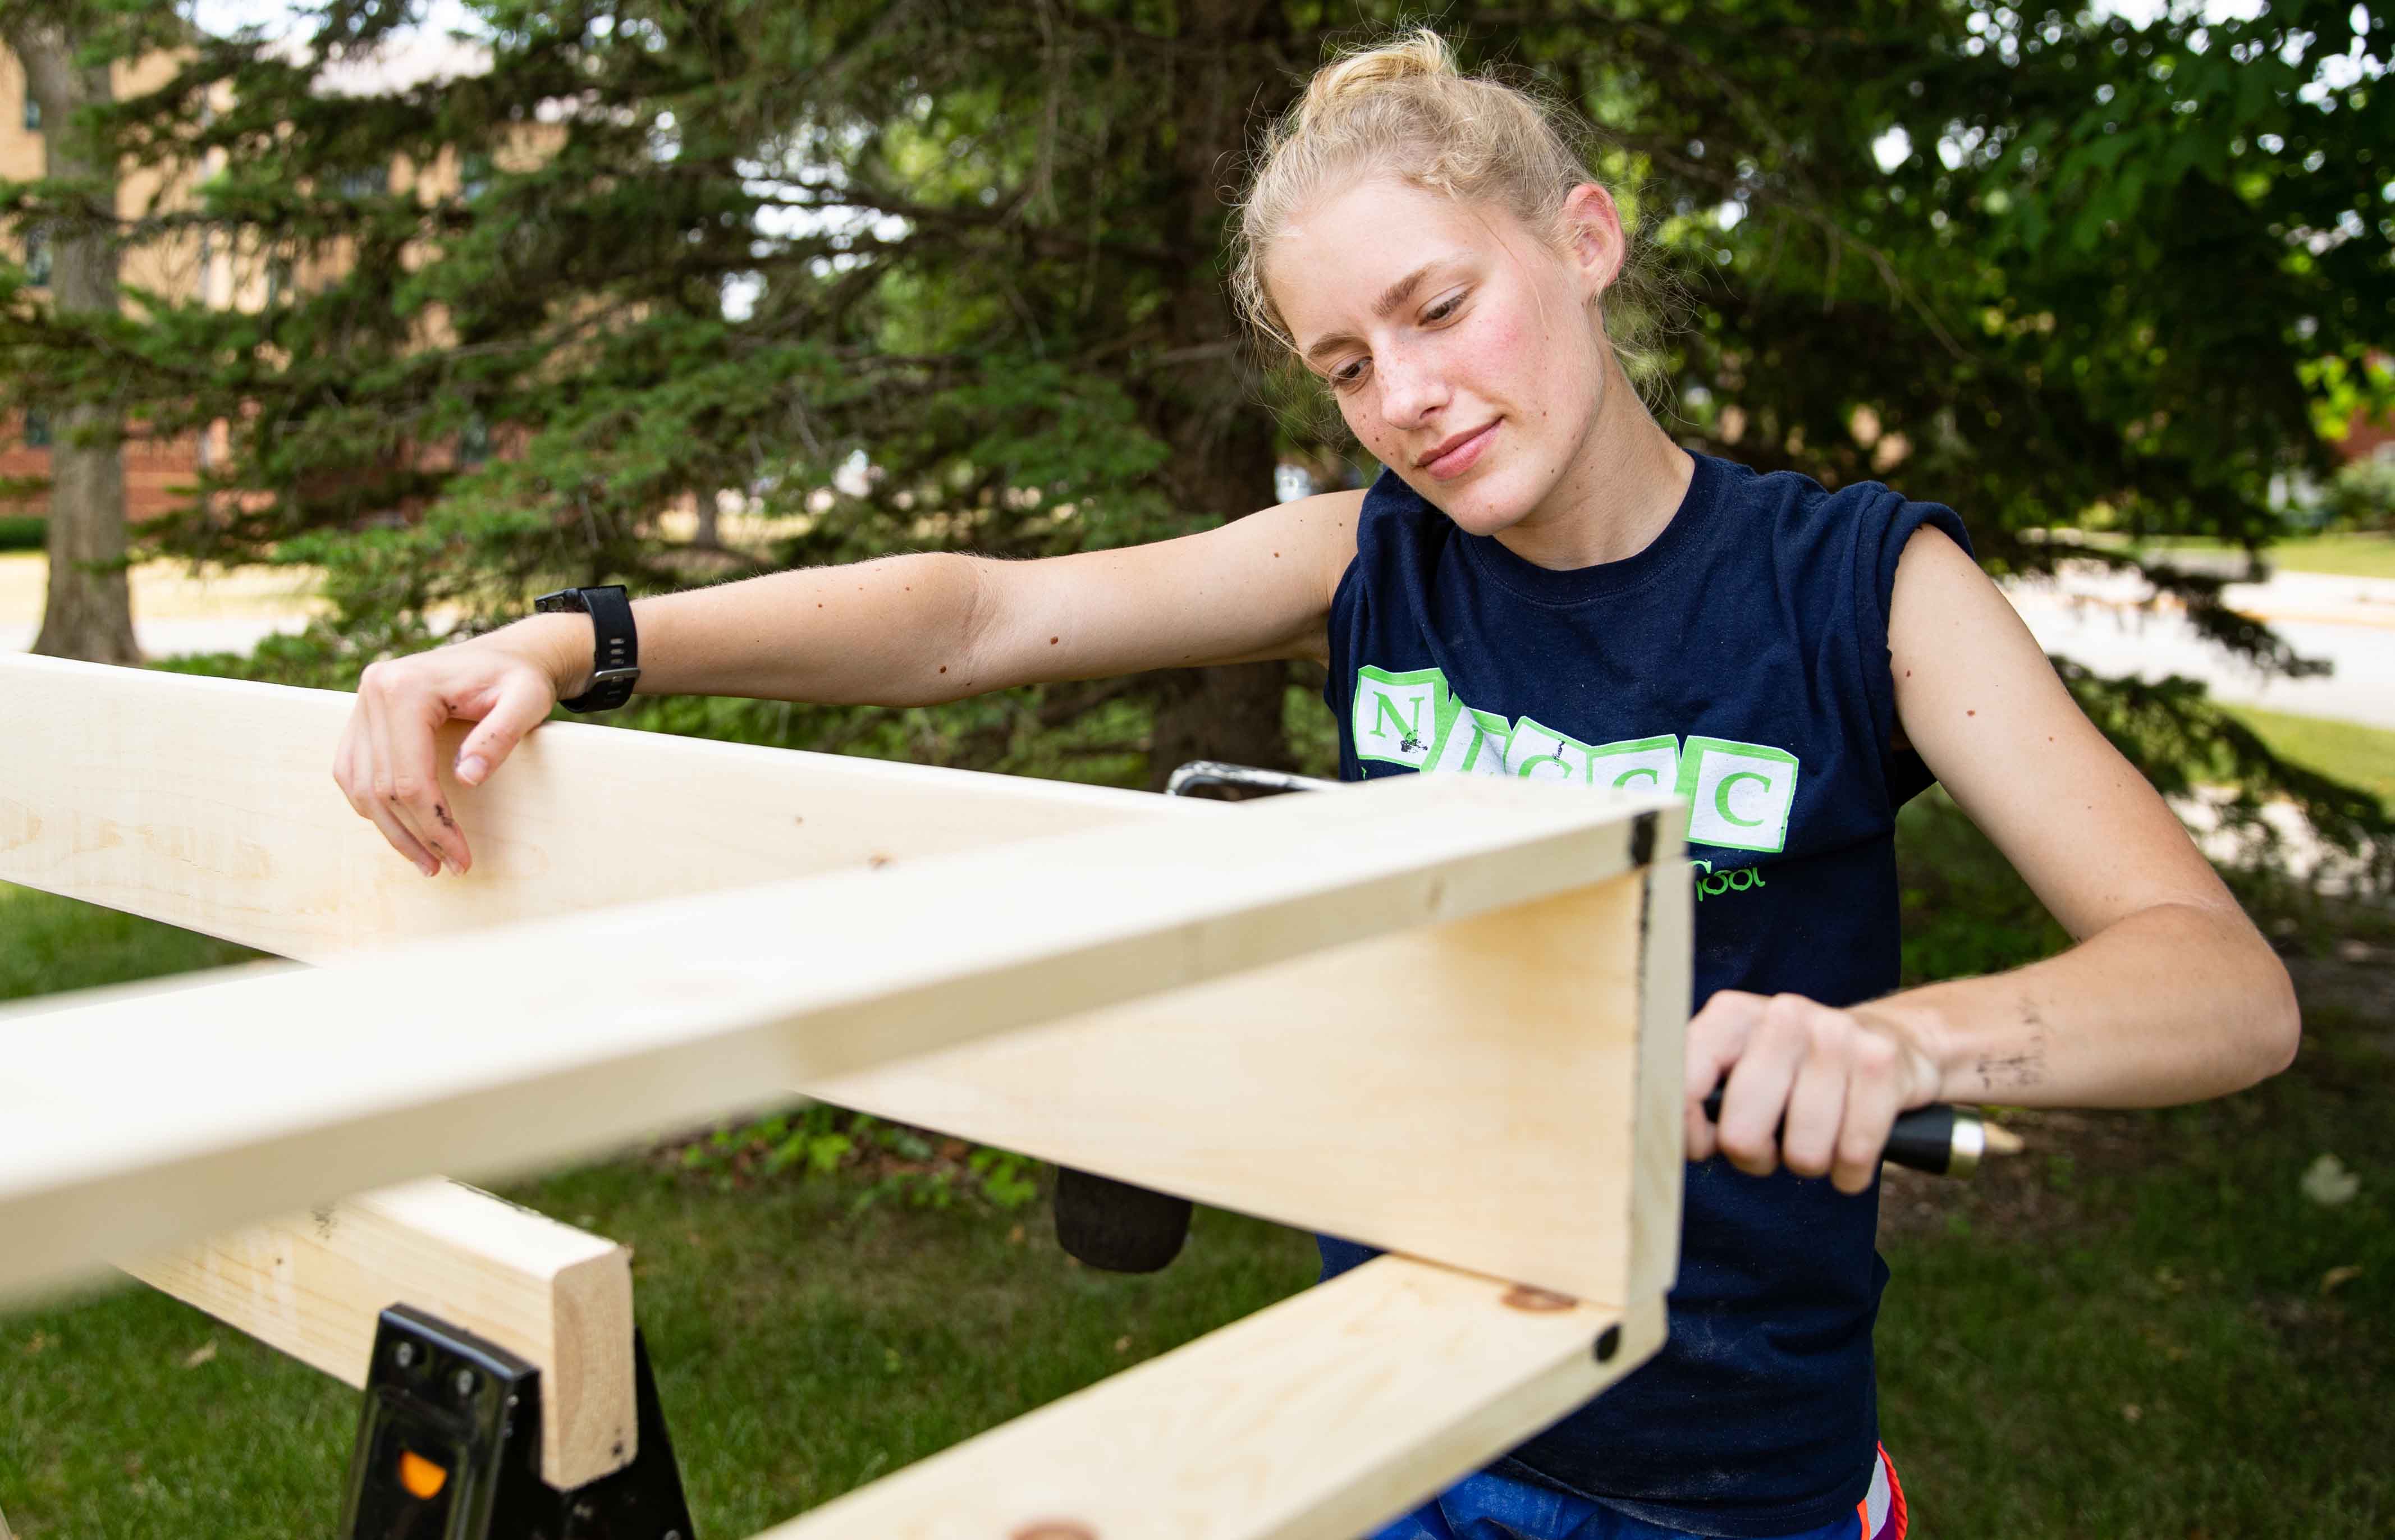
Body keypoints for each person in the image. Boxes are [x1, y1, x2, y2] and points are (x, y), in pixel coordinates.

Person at [332, 29, 2298, 1540]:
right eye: (1345, 365)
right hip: (1387, 1413)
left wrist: (1908, 1044)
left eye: (1439, 309)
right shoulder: (1376, 561)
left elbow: (2214, 980)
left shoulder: (1855, 585)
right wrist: (575, 641)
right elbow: (980, 616)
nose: (1407, 398)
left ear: (1584, 242)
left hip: (1724, 1484)